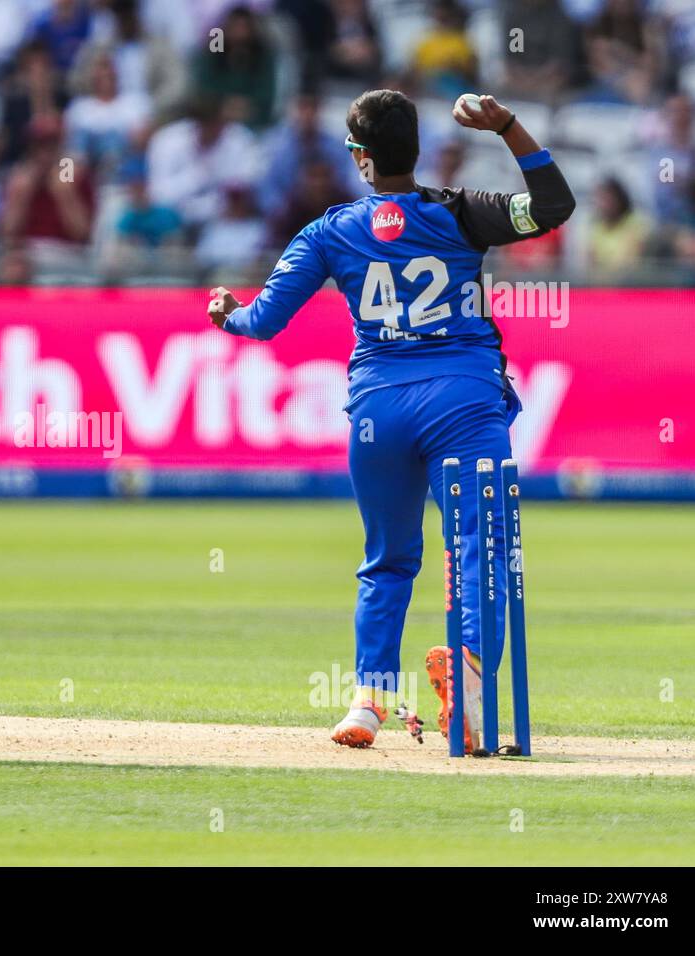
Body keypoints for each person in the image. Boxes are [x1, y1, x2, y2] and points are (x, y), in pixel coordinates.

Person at [206, 90, 574, 752]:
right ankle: (465, 677)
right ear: (419, 150)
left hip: (378, 410)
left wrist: (226, 312)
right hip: (464, 399)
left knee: (387, 561)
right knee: (480, 552)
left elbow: (261, 322)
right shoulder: (462, 212)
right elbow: (553, 208)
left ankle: (368, 705)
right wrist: (509, 127)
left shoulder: (330, 230)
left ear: (359, 158)